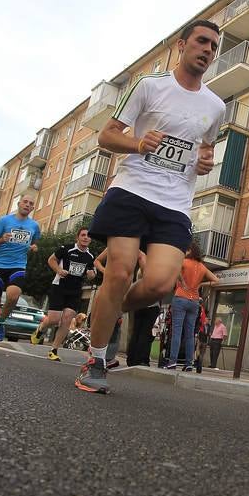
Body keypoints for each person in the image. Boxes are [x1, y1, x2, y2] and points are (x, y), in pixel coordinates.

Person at [76, 20, 225, 394]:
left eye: (214, 46)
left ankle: (106, 314)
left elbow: (205, 147)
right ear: (182, 45)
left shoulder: (215, 106)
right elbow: (107, 135)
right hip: (132, 190)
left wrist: (205, 161)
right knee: (121, 272)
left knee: (159, 284)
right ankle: (95, 360)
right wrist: (139, 143)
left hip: (175, 203)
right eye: (202, 41)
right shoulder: (150, 86)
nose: (207, 50)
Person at [0, 195, 40, 348]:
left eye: (31, 203)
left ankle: (1, 321)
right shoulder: (4, 221)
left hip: (18, 266)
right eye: (25, 202)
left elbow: (34, 243)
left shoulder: (34, 226)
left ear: (33, 208)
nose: (27, 205)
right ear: (19, 204)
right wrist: (1, 240)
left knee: (13, 296)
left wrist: (34, 248)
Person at [30, 227, 95, 361]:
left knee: (67, 319)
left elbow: (91, 274)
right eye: (83, 235)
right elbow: (51, 260)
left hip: (75, 290)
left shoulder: (90, 256)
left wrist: (91, 274)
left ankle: (54, 350)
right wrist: (59, 270)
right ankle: (40, 329)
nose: (86, 238)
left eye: (88, 236)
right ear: (78, 237)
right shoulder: (66, 248)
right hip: (59, 286)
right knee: (54, 319)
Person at [166, 242, 219, 371]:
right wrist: (200, 285)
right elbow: (216, 281)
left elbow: (175, 268)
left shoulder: (184, 262)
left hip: (181, 297)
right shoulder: (202, 267)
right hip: (194, 301)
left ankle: (172, 361)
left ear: (189, 251)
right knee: (190, 334)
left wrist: (182, 281)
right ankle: (189, 363)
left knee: (177, 331)